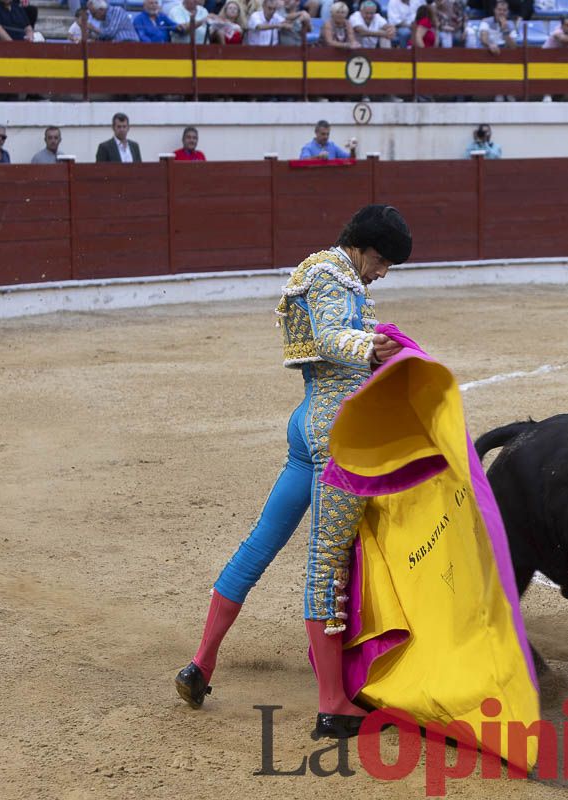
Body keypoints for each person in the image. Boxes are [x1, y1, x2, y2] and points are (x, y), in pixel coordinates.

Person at [175, 205, 413, 741]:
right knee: (326, 564)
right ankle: (333, 705)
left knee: (259, 546)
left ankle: (201, 664)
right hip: (336, 434)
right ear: (359, 245)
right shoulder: (333, 275)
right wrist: (367, 346)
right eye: (380, 259)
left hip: (307, 423)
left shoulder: (329, 271)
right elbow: (331, 339)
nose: (382, 272)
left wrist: (372, 352)